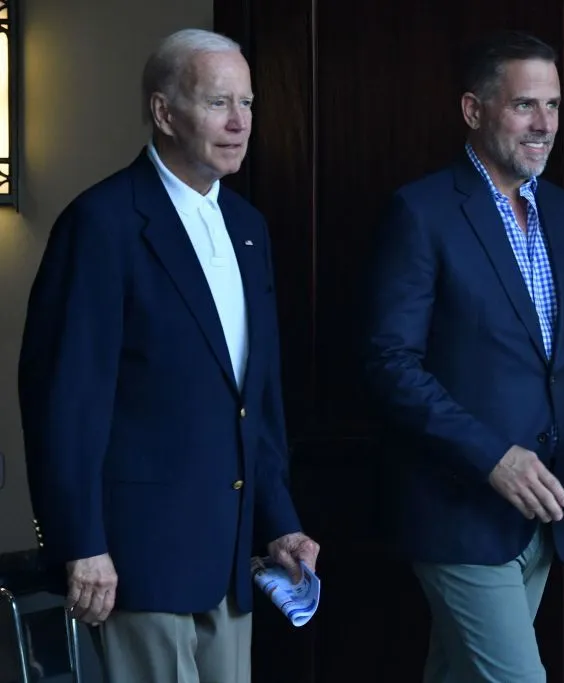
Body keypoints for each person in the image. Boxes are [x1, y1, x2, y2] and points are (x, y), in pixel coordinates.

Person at [363, 30, 564, 683]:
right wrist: (492, 457)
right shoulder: (421, 213)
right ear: (473, 110)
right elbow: (390, 364)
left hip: (545, 512)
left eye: (553, 106)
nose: (544, 125)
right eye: (525, 105)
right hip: (458, 509)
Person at [18, 28, 319, 683]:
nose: (240, 122)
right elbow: (63, 399)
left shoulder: (248, 227)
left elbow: (254, 400)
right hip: (137, 557)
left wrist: (280, 523)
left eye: (248, 103)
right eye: (218, 103)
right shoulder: (101, 223)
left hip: (232, 559)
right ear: (163, 111)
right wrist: (81, 543)